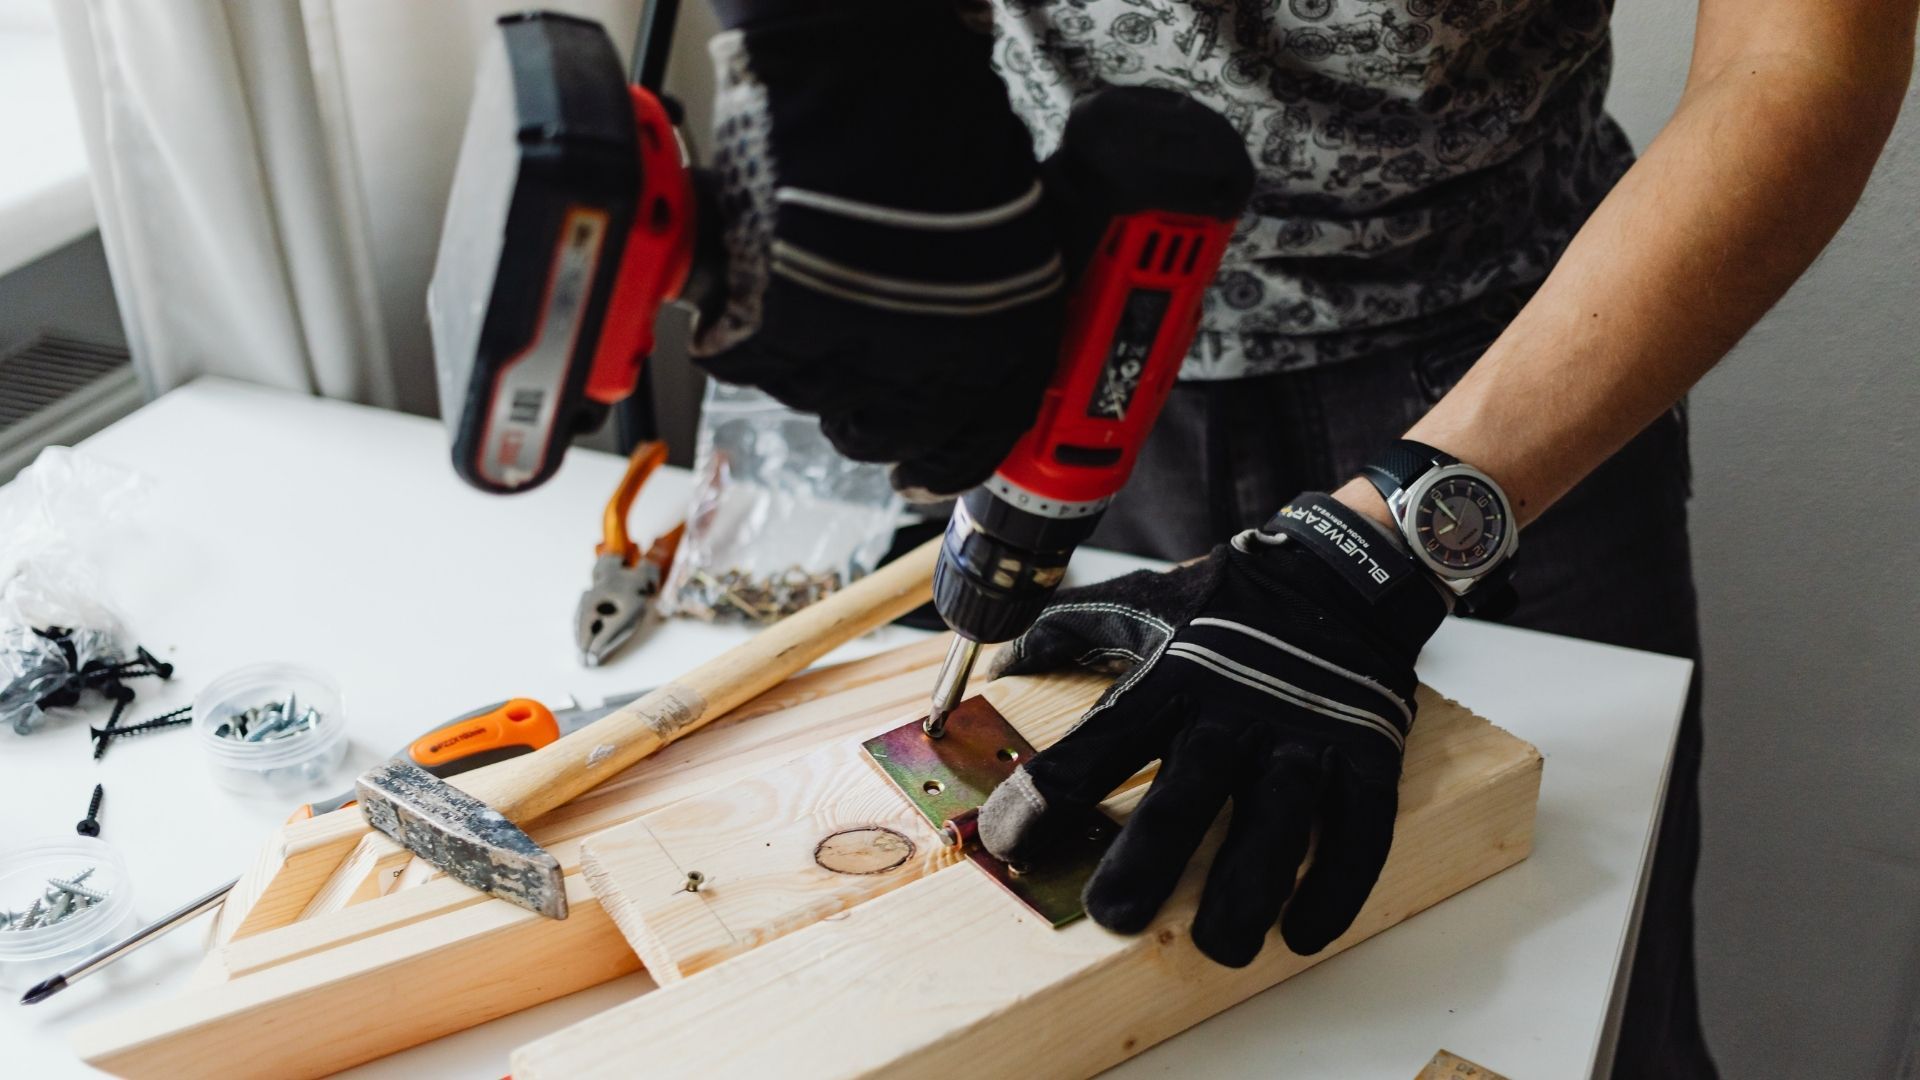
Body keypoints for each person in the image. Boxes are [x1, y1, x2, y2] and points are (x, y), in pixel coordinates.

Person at [685, 0, 1916, 1075]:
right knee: (1171, 995)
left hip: (1533, 366)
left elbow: (1798, 58)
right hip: (1099, 338)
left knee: (1569, 991)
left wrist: (1384, 547)